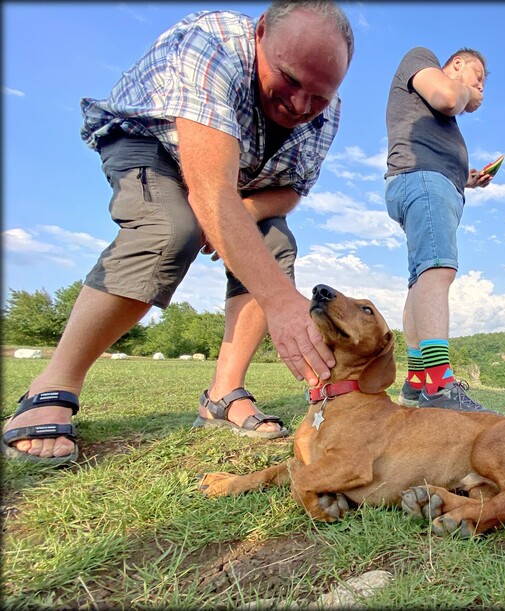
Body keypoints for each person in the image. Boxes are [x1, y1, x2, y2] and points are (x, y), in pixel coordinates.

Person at [2, 1, 354, 466]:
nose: (300, 105)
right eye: (289, 79)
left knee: (275, 245)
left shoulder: (325, 115)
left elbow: (290, 190)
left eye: (320, 96)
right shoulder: (213, 43)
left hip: (243, 183)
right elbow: (209, 191)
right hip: (153, 141)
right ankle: (54, 383)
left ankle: (223, 394)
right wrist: (283, 302)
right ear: (261, 32)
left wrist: (243, 212)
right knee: (171, 228)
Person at [384, 47, 494, 412]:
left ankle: (418, 383)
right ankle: (440, 386)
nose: (480, 86)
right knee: (437, 269)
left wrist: (470, 179)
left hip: (426, 182)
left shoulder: (431, 119)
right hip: (423, 181)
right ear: (457, 64)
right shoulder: (421, 58)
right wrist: (466, 92)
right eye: (478, 75)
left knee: (420, 279)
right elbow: (447, 98)